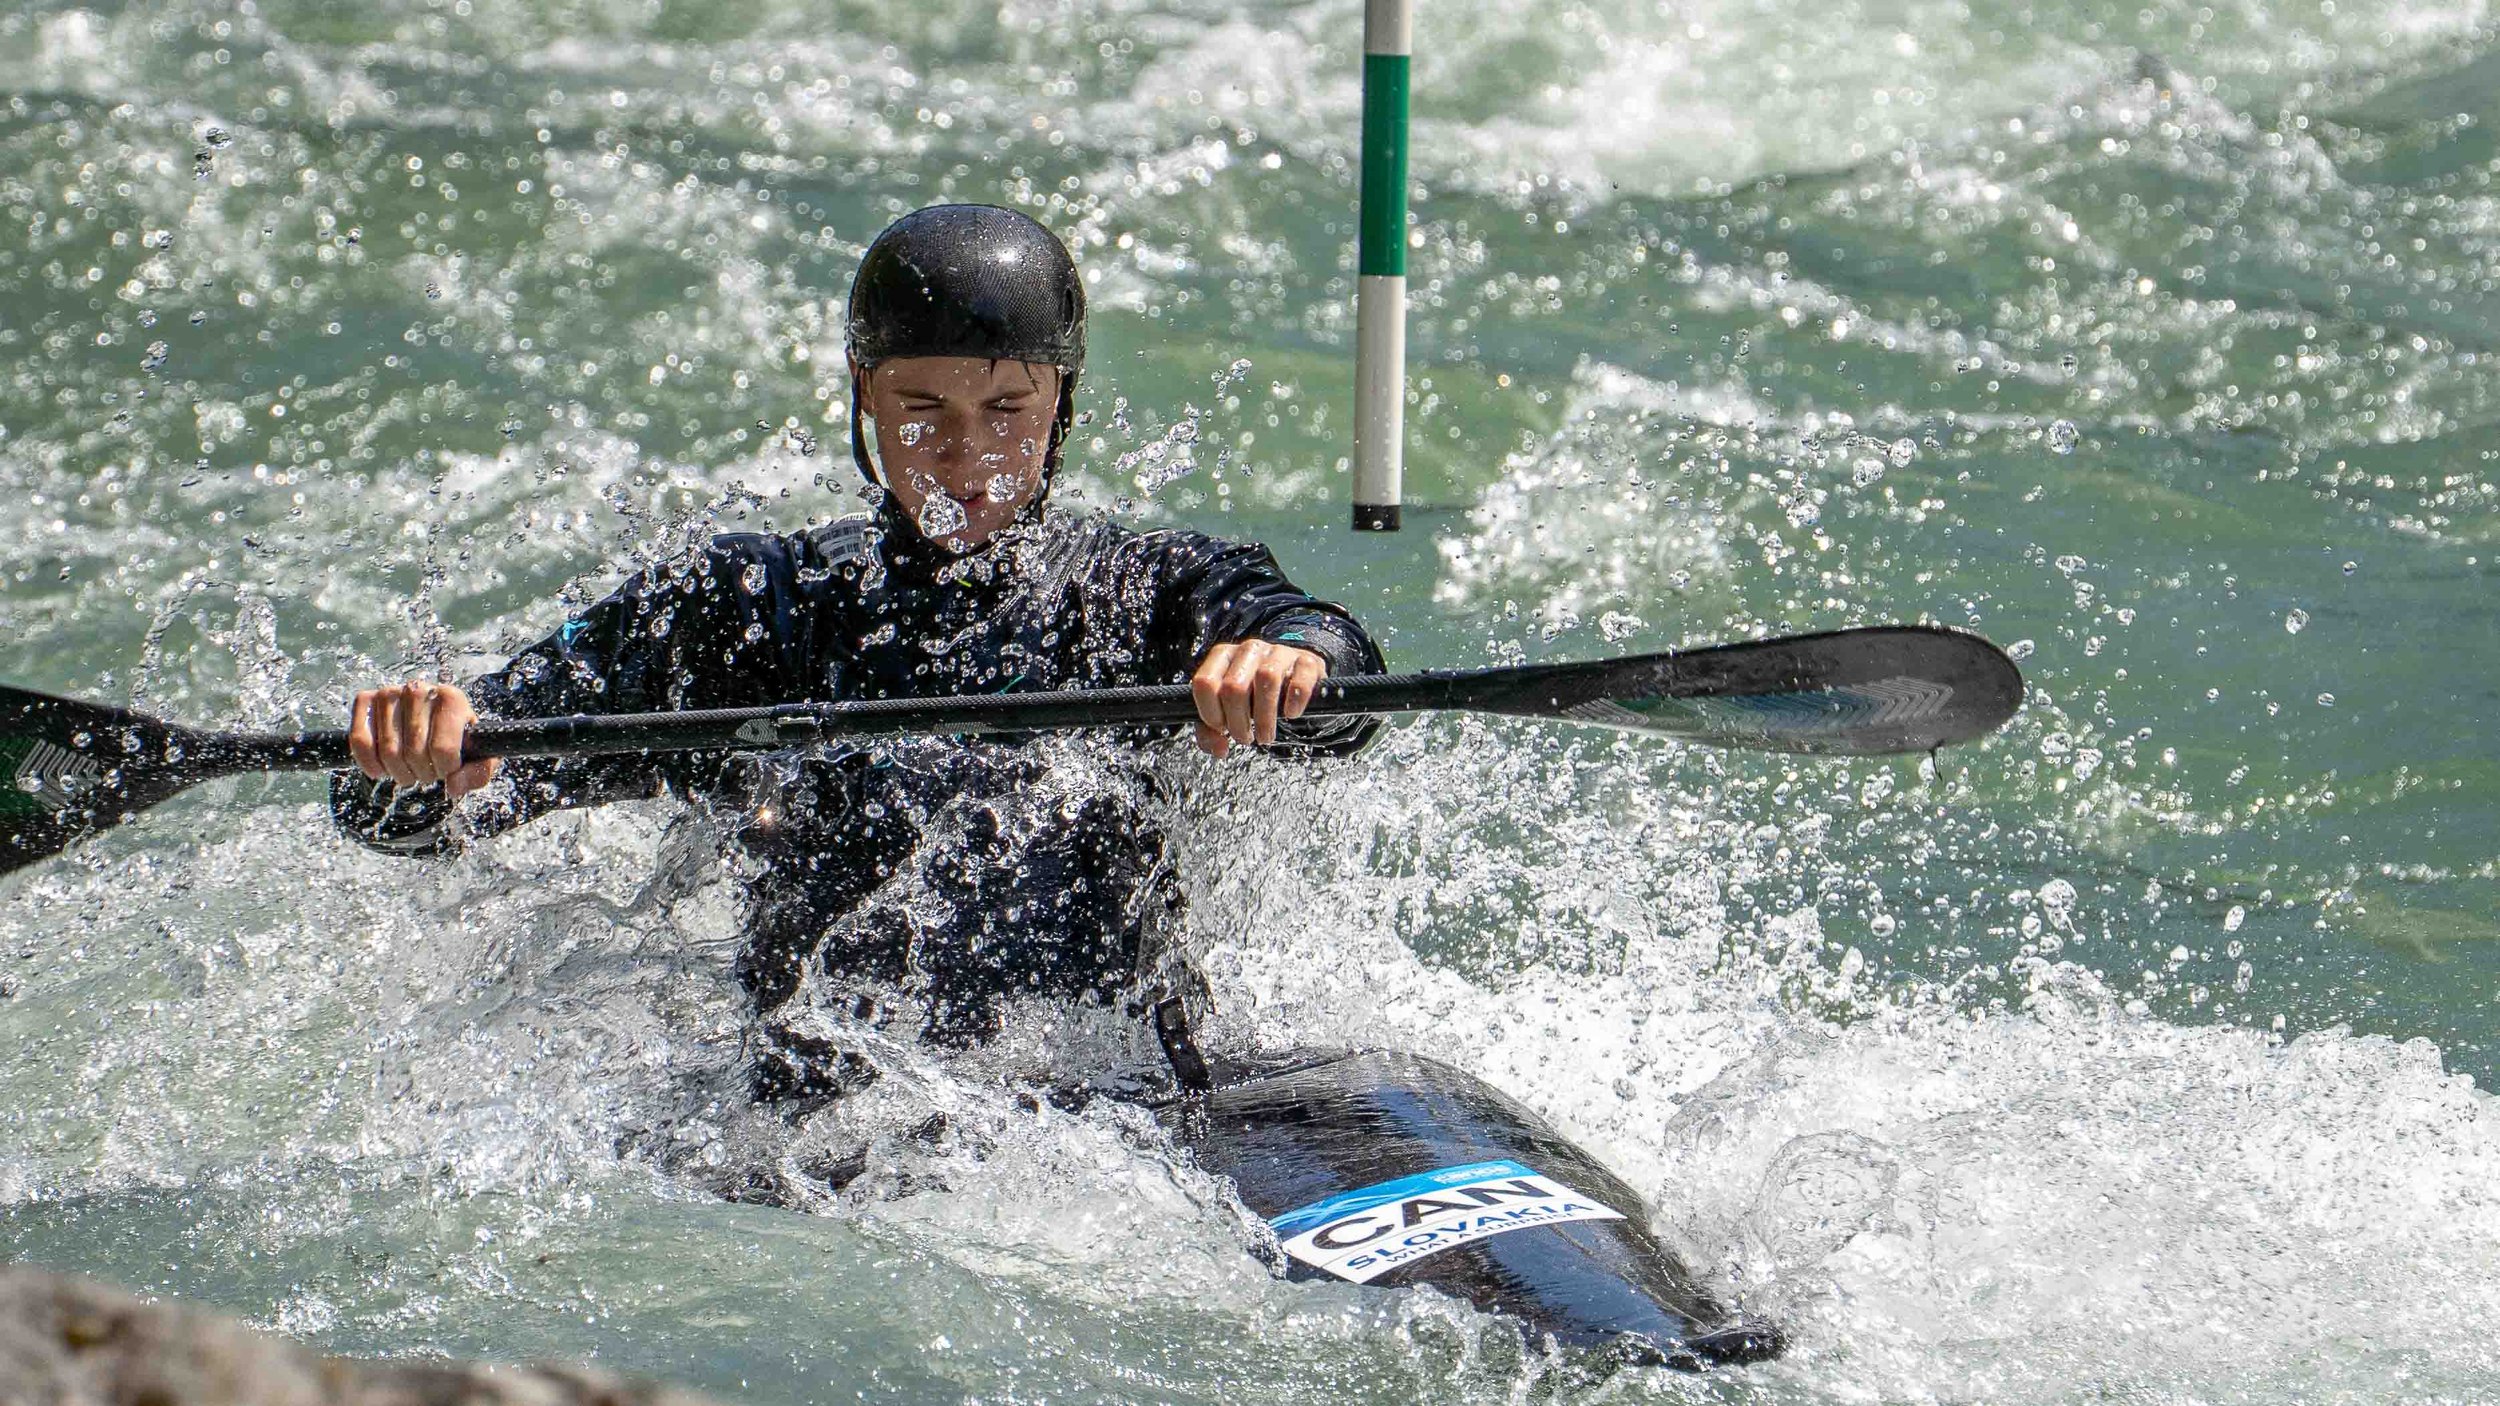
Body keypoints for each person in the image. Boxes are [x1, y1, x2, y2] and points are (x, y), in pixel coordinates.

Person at [332, 203, 1383, 1117]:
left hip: (1118, 1103)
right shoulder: (749, 610)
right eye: (922, 411)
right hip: (825, 1120)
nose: (966, 456)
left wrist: (1286, 663)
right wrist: (423, 763)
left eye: (1005, 410)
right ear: (864, 394)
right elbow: (411, 807)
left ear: (1061, 400)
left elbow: (1337, 667)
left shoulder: (1146, 590)